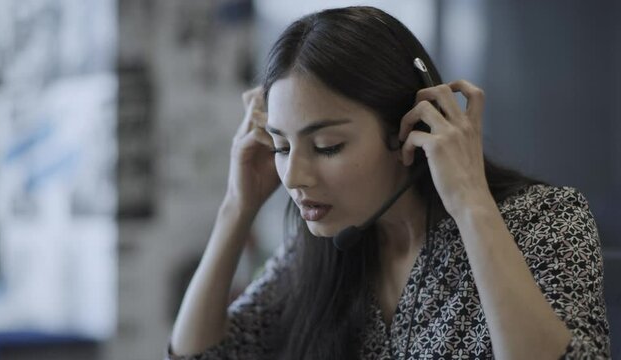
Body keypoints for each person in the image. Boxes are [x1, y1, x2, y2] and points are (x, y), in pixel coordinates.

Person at [167, 6, 611, 360]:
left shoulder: (543, 220)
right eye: (282, 147)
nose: (295, 177)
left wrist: (472, 204)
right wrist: (236, 206)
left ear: (409, 128)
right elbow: (201, 354)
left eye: (326, 146)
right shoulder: (325, 243)